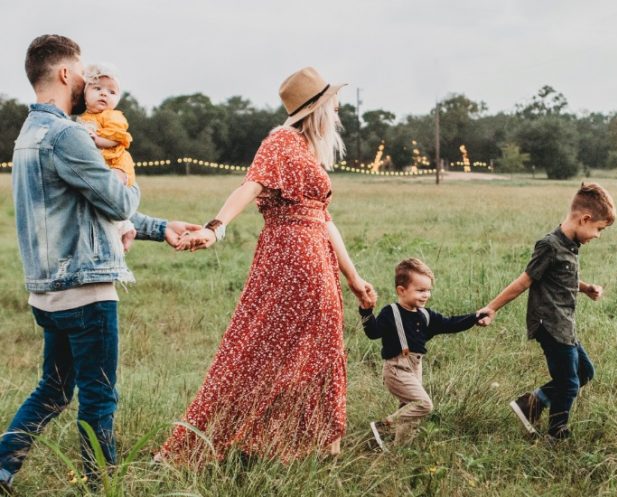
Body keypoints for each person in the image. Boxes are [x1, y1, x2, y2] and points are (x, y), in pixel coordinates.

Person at [0, 34, 198, 494]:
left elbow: (86, 207)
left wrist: (159, 226)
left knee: (52, 390)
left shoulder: (28, 136)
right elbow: (114, 200)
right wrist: (129, 177)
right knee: (99, 397)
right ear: (66, 74)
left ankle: (3, 468)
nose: (89, 83)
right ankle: (101, 486)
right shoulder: (69, 134)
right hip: (86, 291)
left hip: (48, 292)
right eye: (83, 73)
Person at [157, 67, 377, 464]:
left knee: (314, 349)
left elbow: (325, 220)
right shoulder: (281, 141)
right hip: (292, 256)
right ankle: (244, 440)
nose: (339, 110)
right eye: (333, 103)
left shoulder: (308, 150)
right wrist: (215, 228)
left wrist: (354, 278)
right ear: (317, 109)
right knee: (262, 348)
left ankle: (305, 444)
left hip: (314, 256)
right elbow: (250, 185)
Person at [478, 182, 616, 440]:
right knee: (569, 383)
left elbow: (561, 279)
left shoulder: (571, 246)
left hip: (565, 324)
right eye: (598, 229)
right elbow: (525, 281)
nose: (598, 235)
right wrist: (492, 308)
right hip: (549, 324)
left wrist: (585, 288)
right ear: (585, 219)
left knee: (585, 372)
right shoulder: (550, 245)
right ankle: (557, 432)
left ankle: (532, 403)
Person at [361, 258, 485, 450]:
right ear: (401, 290)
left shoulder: (426, 315)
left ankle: (398, 451)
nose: (426, 295)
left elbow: (450, 323)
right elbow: (373, 333)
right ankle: (384, 426)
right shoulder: (391, 312)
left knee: (409, 414)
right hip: (396, 368)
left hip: (415, 368)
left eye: (428, 290)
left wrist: (475, 317)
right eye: (420, 290)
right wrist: (366, 311)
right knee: (423, 404)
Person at [77, 63, 138, 252]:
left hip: (117, 162)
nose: (104, 94)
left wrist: (97, 140)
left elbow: (118, 138)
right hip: (102, 163)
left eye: (111, 92)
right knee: (102, 197)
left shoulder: (112, 116)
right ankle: (125, 227)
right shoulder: (83, 117)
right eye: (97, 89)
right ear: (85, 94)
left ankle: (123, 229)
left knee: (109, 191)